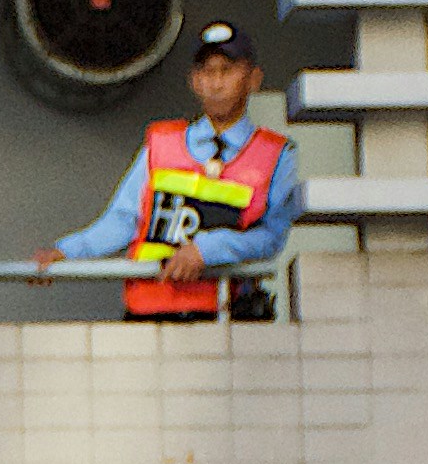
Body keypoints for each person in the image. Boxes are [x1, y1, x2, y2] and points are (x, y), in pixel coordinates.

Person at [27, 23, 296, 320]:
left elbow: (272, 237)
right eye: (207, 72)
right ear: (194, 81)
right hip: (149, 313)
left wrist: (208, 249)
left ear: (254, 79)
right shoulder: (161, 144)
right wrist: (65, 252)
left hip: (225, 316)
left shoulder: (276, 153)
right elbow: (123, 220)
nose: (216, 83)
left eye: (228, 70)